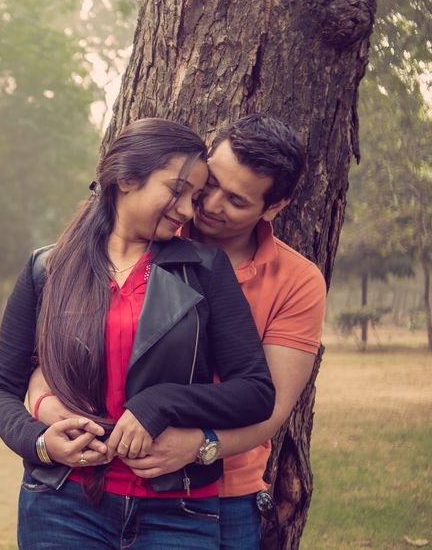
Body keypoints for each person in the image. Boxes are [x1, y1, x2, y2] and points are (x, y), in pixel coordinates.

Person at [28, 115, 327, 549]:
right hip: (101, 485)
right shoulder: (149, 229)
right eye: (210, 184)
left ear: (273, 208)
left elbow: (273, 405)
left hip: (224, 492)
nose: (207, 205)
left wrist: (198, 446)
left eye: (236, 200)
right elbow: (56, 351)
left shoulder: (297, 280)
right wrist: (44, 403)